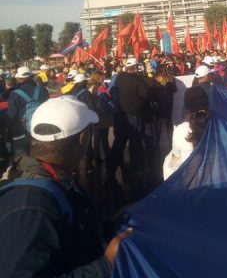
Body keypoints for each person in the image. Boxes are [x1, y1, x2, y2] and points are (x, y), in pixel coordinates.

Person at [0, 96, 133, 276]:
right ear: (83, 138)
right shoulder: (30, 207)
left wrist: (107, 226)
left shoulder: (53, 179)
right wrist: (106, 264)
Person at [108, 57, 149, 175]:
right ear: (135, 67)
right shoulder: (137, 79)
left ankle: (111, 167)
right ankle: (135, 167)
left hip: (120, 115)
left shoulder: (119, 77)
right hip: (134, 115)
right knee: (135, 142)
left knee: (119, 142)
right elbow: (145, 95)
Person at [163, 86, 211, 180]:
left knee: (169, 162)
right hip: (217, 174)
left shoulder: (181, 129)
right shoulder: (217, 124)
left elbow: (177, 154)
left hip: (192, 179)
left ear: (187, 106)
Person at [7, 66, 50, 162]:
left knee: (21, 162)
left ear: (18, 79)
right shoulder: (43, 90)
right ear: (32, 77)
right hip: (41, 131)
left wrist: (8, 138)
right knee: (41, 161)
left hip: (21, 134)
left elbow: (11, 117)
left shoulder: (14, 94)